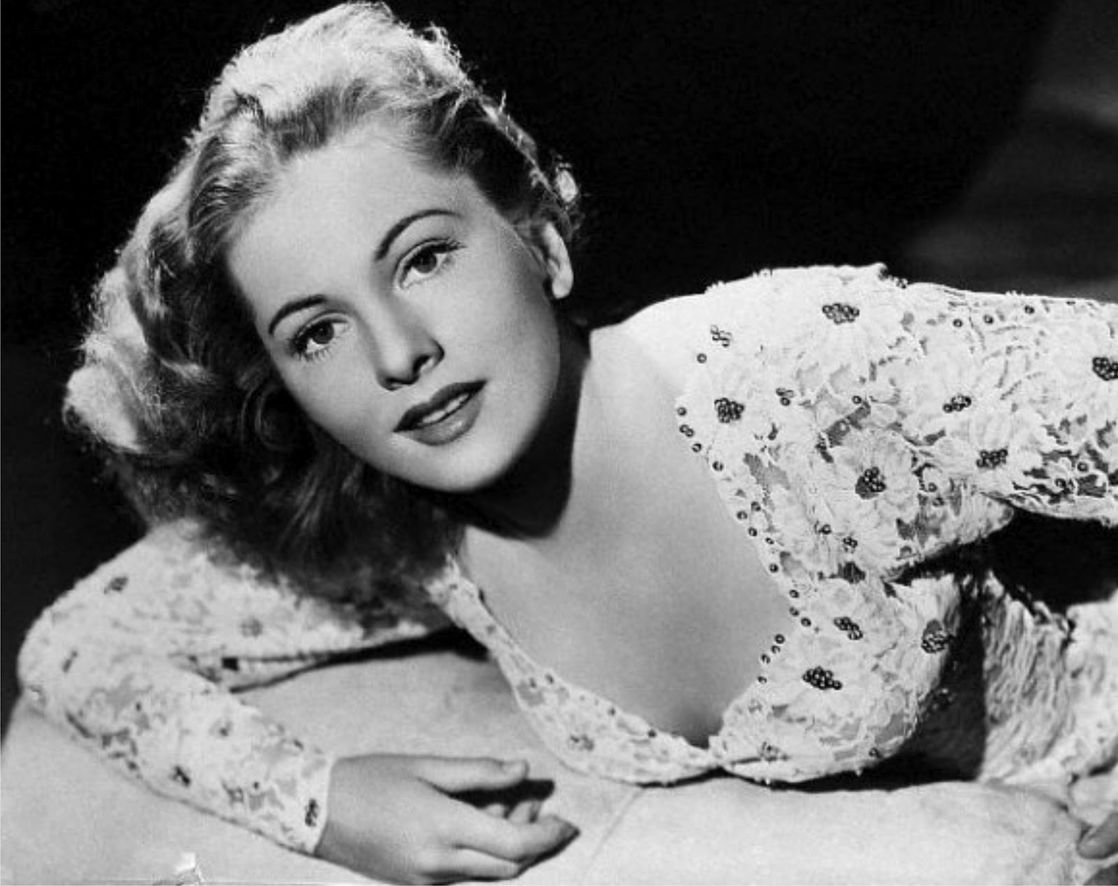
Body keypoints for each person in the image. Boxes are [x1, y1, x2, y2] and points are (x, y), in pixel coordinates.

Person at [17, 3, 1118, 882]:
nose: (398, 353)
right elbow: (77, 649)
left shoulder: (804, 378)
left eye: (422, 259)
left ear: (540, 242)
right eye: (317, 332)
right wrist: (326, 804)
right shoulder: (407, 539)